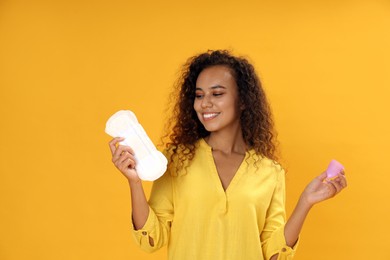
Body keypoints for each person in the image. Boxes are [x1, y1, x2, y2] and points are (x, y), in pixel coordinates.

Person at [108, 50, 347, 260]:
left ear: (242, 100)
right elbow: (152, 239)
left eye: (217, 94)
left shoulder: (270, 172)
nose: (205, 104)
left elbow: (273, 254)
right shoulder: (176, 160)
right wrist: (135, 182)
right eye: (199, 95)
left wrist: (305, 202)